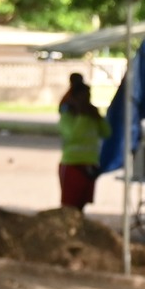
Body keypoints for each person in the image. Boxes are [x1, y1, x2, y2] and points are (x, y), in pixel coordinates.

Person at [56, 74, 109, 212]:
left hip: (90, 166)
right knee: (69, 208)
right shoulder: (67, 115)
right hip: (73, 165)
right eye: (83, 97)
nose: (87, 100)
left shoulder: (92, 115)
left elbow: (107, 133)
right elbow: (73, 135)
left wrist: (98, 117)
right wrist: (81, 115)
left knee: (81, 206)